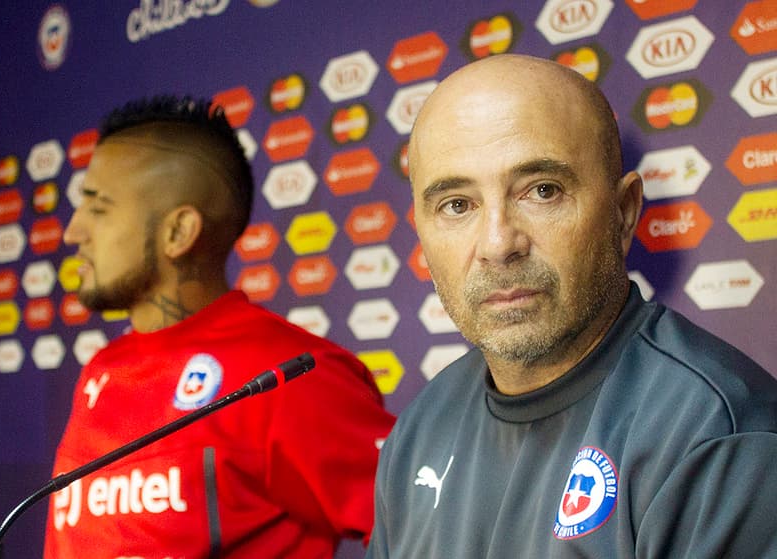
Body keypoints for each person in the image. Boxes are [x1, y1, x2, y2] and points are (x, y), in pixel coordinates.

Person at [366, 54, 777, 558]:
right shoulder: (418, 429)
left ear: (623, 213)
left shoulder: (719, 437)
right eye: (457, 204)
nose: (498, 243)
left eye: (542, 191)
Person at [43, 96, 395, 558]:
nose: (73, 232)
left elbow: (435, 526)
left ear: (178, 232)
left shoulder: (287, 375)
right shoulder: (100, 371)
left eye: (98, 208)